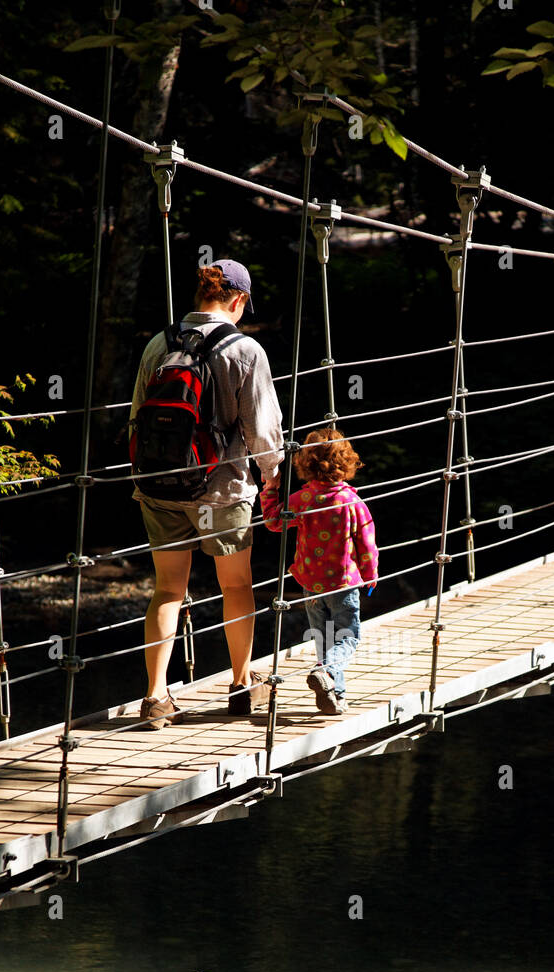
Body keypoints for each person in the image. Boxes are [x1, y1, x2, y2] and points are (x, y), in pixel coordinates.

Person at [130, 259, 283, 728]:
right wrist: (273, 478)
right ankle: (241, 683)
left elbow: (137, 414)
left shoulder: (160, 342)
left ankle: (156, 697)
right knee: (235, 585)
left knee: (168, 590)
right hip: (222, 494)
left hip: (159, 489)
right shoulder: (246, 349)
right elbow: (262, 429)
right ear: (237, 301)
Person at [261, 427, 378, 715]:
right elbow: (366, 544)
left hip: (310, 585)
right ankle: (326, 673)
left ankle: (334, 695)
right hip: (343, 585)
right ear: (348, 463)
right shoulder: (352, 503)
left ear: (305, 465)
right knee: (348, 636)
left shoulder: (303, 499)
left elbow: (274, 522)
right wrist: (371, 574)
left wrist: (271, 489)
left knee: (324, 636)